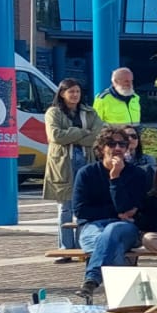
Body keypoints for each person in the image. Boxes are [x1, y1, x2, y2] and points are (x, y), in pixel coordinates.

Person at [71, 127, 150, 304]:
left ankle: (91, 280)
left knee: (113, 230)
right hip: (92, 227)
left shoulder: (137, 174)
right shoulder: (87, 173)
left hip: (125, 227)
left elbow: (130, 208)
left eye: (122, 144)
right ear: (101, 148)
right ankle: (122, 304)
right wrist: (116, 212)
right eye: (111, 144)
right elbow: (81, 210)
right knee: (111, 246)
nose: (118, 148)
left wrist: (115, 178)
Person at [45, 79, 101, 251]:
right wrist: (82, 132)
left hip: (86, 159)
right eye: (71, 91)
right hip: (63, 163)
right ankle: (66, 248)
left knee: (84, 206)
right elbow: (56, 136)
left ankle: (82, 246)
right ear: (62, 93)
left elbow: (97, 136)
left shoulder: (90, 112)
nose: (75, 95)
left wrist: (71, 136)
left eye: (77, 91)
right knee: (65, 208)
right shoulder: (53, 112)